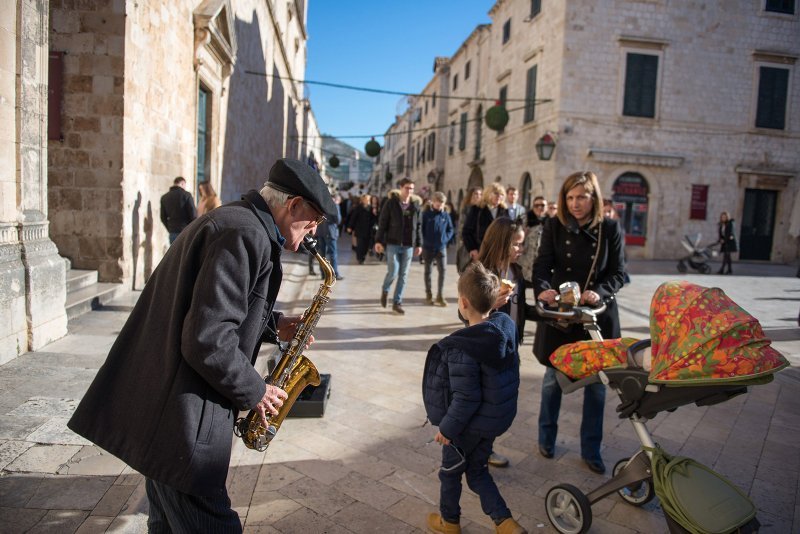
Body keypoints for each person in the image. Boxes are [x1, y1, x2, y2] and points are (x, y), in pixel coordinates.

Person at [68, 159, 337, 533]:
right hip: (184, 417)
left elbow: (209, 310)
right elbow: (207, 339)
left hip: (170, 410)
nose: (315, 230)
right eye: (315, 218)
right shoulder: (245, 235)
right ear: (292, 205)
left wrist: (274, 324)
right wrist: (257, 390)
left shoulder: (235, 221)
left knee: (165, 524)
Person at [422, 262, 527, 534]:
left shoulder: (463, 347)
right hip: (491, 422)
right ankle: (505, 523)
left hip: (465, 427)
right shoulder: (503, 329)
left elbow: (466, 398)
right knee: (478, 471)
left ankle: (450, 522)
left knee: (450, 473)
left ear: (463, 302)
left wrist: (447, 430)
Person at [532, 171, 625, 475]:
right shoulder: (553, 225)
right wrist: (543, 288)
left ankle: (591, 449)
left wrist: (597, 293)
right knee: (551, 381)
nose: (575, 203)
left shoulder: (609, 228)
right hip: (561, 316)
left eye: (582, 196)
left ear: (594, 198)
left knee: (597, 387)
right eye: (570, 197)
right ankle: (546, 438)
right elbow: (542, 264)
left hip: (595, 318)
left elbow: (619, 273)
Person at [375, 178, 422, 315]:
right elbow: (382, 223)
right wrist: (378, 240)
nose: (410, 191)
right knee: (393, 271)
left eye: (412, 188)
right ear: (401, 188)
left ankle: (397, 302)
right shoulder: (391, 203)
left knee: (404, 275)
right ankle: (385, 290)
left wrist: (419, 244)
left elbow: (418, 226)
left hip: (408, 245)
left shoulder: (415, 206)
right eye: (407, 188)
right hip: (392, 243)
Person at [422, 191, 455, 306]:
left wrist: (445, 239)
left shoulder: (445, 215)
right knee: (428, 271)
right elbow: (421, 229)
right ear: (433, 201)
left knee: (443, 271)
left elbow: (451, 229)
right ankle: (428, 294)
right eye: (437, 202)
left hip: (441, 248)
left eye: (441, 203)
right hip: (428, 247)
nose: (439, 205)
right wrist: (424, 241)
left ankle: (440, 295)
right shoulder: (426, 214)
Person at [462, 183, 508, 263]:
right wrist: (472, 248)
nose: (499, 196)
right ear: (488, 193)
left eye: (502, 194)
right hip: (480, 252)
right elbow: (466, 231)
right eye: (496, 193)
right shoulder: (477, 209)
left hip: (498, 253)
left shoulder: (504, 211)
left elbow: (508, 232)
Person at [160, 176, 197, 244]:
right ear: (182, 183)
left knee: (175, 253)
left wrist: (170, 228)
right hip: (186, 230)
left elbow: (163, 217)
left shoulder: (164, 197)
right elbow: (193, 214)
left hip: (173, 231)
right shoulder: (186, 195)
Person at [456, 187, 483, 273]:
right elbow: (461, 227)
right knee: (465, 270)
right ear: (471, 195)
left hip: (479, 245)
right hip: (466, 244)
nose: (478, 196)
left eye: (480, 194)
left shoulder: (483, 210)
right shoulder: (466, 209)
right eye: (476, 194)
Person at [317, 193, 344, 280]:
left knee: (322, 254)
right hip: (330, 232)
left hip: (320, 232)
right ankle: (334, 274)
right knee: (333, 254)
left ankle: (323, 274)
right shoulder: (334, 206)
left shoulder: (320, 204)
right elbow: (338, 220)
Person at [346, 194, 377, 264]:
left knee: (366, 245)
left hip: (368, 230)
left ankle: (363, 256)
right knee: (360, 245)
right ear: (363, 200)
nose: (368, 201)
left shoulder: (371, 208)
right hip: (360, 229)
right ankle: (359, 258)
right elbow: (353, 218)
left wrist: (375, 214)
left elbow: (374, 219)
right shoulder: (358, 208)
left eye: (369, 200)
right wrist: (350, 227)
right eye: (367, 199)